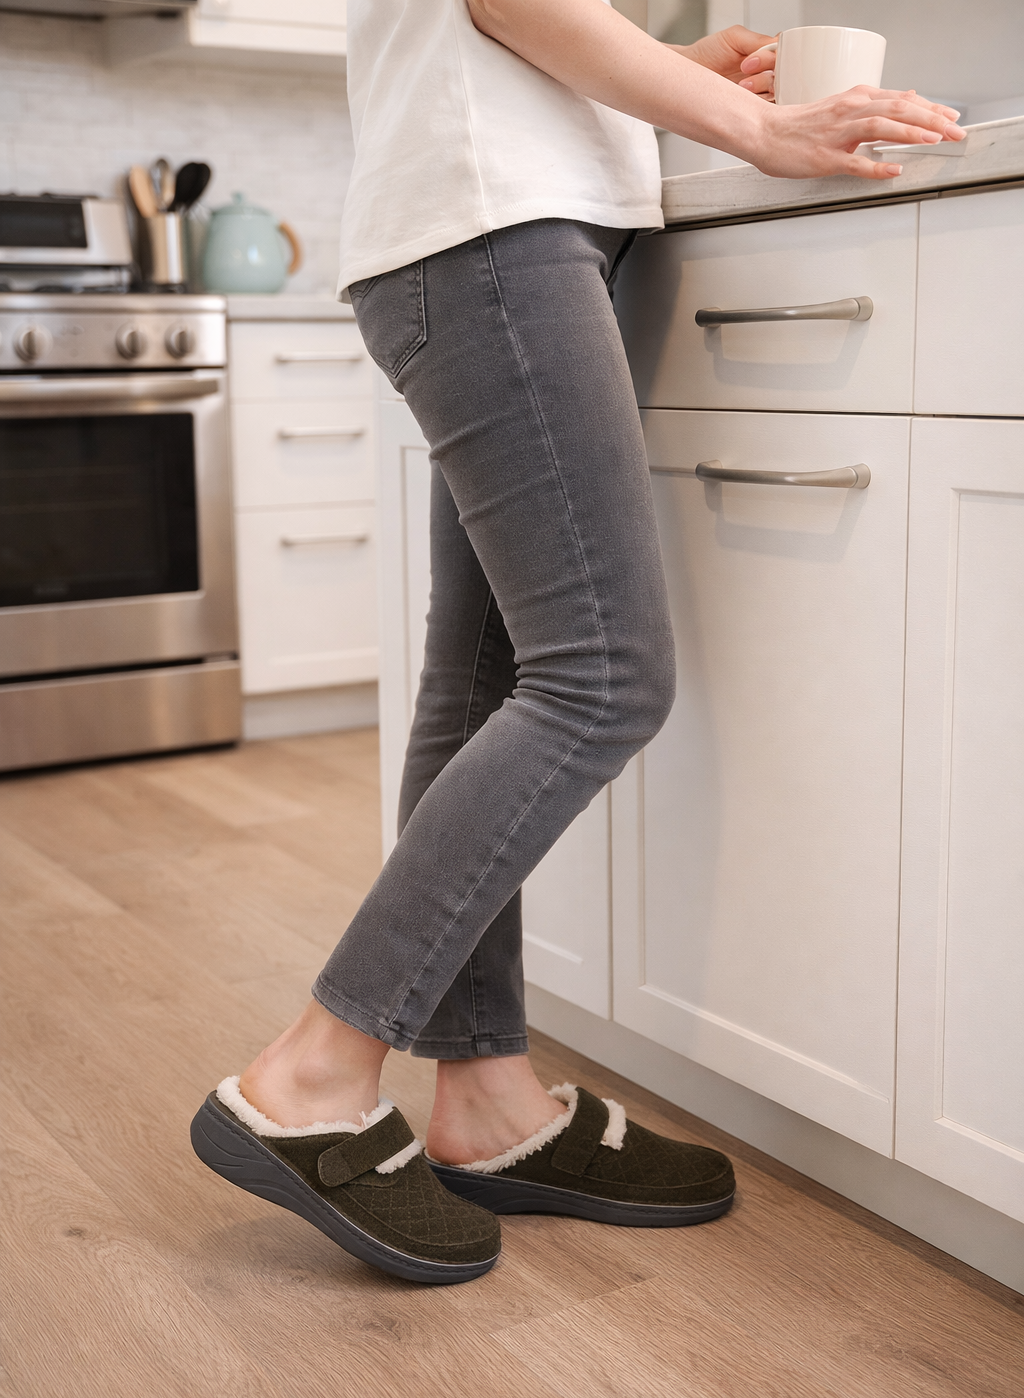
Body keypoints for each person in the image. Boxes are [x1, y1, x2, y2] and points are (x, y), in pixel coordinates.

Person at [191, 0, 964, 1284]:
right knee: (600, 677)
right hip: (494, 241)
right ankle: (312, 1074)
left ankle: (485, 1098)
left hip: (480, 234)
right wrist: (760, 129)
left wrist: (667, 69)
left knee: (483, 677)